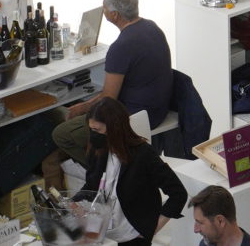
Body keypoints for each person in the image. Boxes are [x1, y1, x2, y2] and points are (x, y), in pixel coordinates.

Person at [52, 0, 173, 169]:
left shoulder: (121, 47)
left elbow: (108, 99)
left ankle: (109, 170)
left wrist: (81, 107)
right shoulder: (152, 27)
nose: (103, 8)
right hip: (158, 109)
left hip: (134, 118)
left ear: (115, 15)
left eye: (105, 6)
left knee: (62, 134)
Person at [67, 97, 186, 243]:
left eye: (97, 130)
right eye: (91, 129)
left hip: (132, 232)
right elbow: (92, 185)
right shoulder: (98, 151)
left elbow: (178, 194)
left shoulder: (143, 154)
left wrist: (151, 229)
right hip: (106, 229)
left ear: (114, 128)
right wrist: (73, 202)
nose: (93, 135)